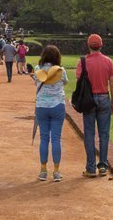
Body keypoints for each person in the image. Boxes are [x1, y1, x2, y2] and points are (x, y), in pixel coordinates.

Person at [76, 34, 113, 177]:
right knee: (104, 134)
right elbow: (112, 83)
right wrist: (112, 102)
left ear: (88, 45)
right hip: (104, 97)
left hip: (89, 100)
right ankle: (103, 165)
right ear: (101, 45)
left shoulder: (83, 62)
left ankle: (91, 168)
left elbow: (79, 81)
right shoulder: (108, 61)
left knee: (89, 134)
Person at [30, 45, 68, 182]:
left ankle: (43, 170)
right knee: (56, 138)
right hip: (57, 105)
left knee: (44, 139)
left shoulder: (37, 69)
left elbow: (36, 82)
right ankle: (56, 171)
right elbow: (65, 83)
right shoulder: (61, 70)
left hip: (42, 106)